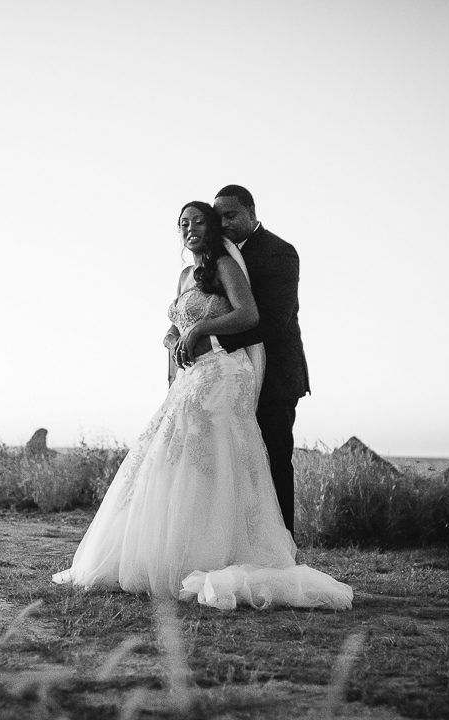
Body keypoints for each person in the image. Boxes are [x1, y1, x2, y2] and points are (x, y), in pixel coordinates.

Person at [52, 202, 351, 610]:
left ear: (213, 228)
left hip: (224, 371)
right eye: (183, 224)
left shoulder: (227, 266)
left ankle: (219, 552)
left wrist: (201, 328)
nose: (190, 229)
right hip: (192, 373)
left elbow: (250, 314)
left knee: (210, 455)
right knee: (169, 456)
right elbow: (175, 326)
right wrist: (173, 339)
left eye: (198, 222)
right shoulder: (183, 275)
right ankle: (167, 551)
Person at [211, 185, 308, 537]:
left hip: (276, 378)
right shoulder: (218, 257)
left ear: (251, 211)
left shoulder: (279, 253)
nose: (223, 223)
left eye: (231, 215)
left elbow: (272, 319)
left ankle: (284, 546)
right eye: (217, 217)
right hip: (229, 378)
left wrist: (212, 341)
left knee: (274, 461)